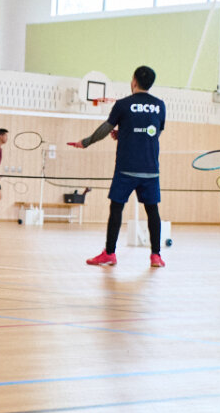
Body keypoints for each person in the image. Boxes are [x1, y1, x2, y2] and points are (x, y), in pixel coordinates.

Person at [69, 65, 166, 268]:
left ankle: (110, 253)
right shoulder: (160, 105)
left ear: (134, 81)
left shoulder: (123, 104)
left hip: (126, 169)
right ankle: (156, 256)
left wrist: (85, 142)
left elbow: (106, 128)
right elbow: (154, 132)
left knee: (116, 208)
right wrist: (126, 133)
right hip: (150, 169)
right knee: (152, 211)